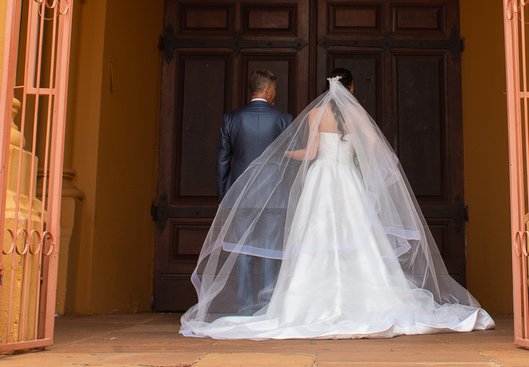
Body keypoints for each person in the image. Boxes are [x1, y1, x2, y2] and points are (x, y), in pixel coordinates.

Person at [181, 68, 493, 339]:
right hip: (347, 177)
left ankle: (296, 303)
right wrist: (356, 160)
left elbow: (311, 153)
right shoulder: (356, 114)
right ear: (351, 88)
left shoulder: (316, 114)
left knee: (315, 236)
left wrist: (278, 155)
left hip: (321, 179)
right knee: (358, 237)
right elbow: (372, 144)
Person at [215, 68, 293, 313]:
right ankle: (267, 305)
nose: (275, 94)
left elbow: (222, 160)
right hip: (274, 196)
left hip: (240, 195)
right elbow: (291, 160)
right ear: (268, 89)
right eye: (275, 90)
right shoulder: (284, 119)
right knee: (270, 250)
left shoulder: (231, 118)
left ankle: (244, 305)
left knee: (242, 251)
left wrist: (223, 196)